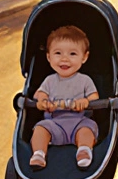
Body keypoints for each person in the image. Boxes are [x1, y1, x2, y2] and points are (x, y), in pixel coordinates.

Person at [30, 25, 100, 171]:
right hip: (55, 123)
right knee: (40, 129)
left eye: (72, 54)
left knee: (87, 129)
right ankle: (39, 153)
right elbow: (39, 94)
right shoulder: (49, 81)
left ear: (84, 57)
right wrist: (43, 102)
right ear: (49, 57)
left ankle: (84, 150)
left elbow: (95, 98)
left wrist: (85, 102)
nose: (64, 59)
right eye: (58, 53)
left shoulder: (84, 80)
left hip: (78, 122)